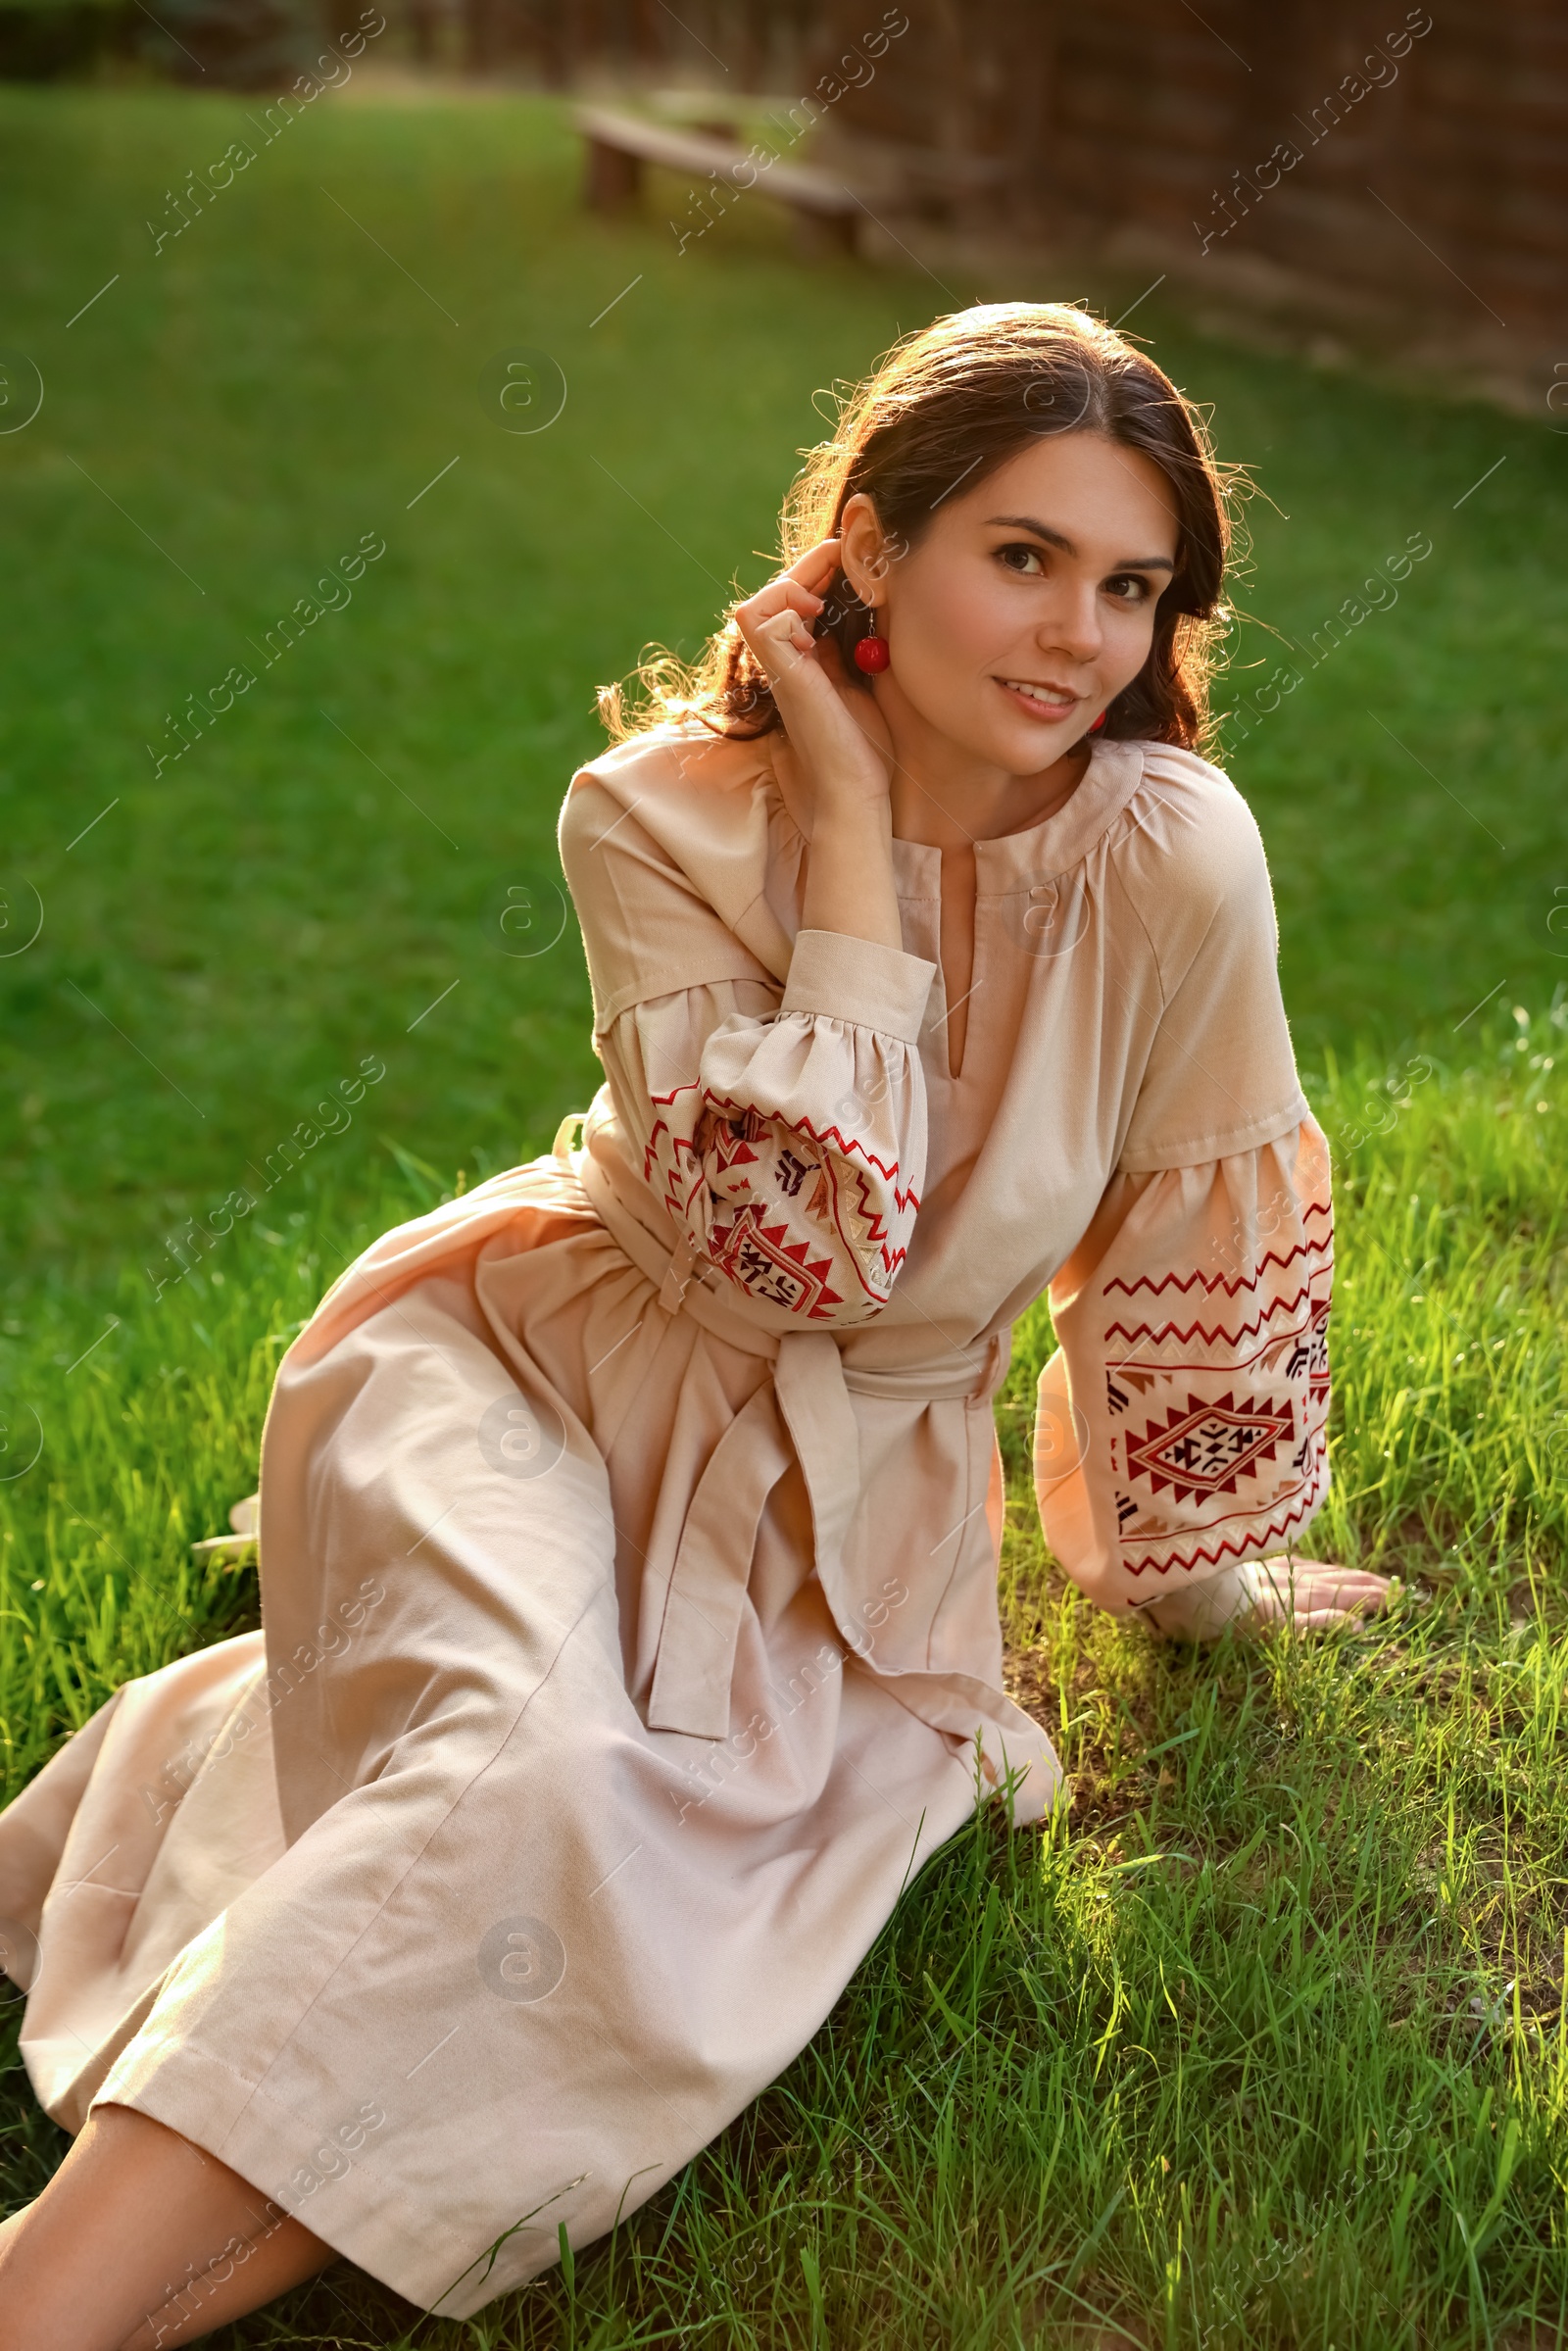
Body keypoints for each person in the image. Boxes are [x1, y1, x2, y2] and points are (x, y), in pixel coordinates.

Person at [0, 302, 1392, 2347]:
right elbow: (785, 1249)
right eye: (1018, 555)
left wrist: (1191, 1581)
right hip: (524, 1367)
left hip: (844, 1507)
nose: (1079, 636)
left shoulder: (1172, 855)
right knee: (525, 1779)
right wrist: (841, 825)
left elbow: (1185, 1219)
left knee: (541, 1812)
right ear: (864, 549)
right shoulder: (652, 814)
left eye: (1129, 584)